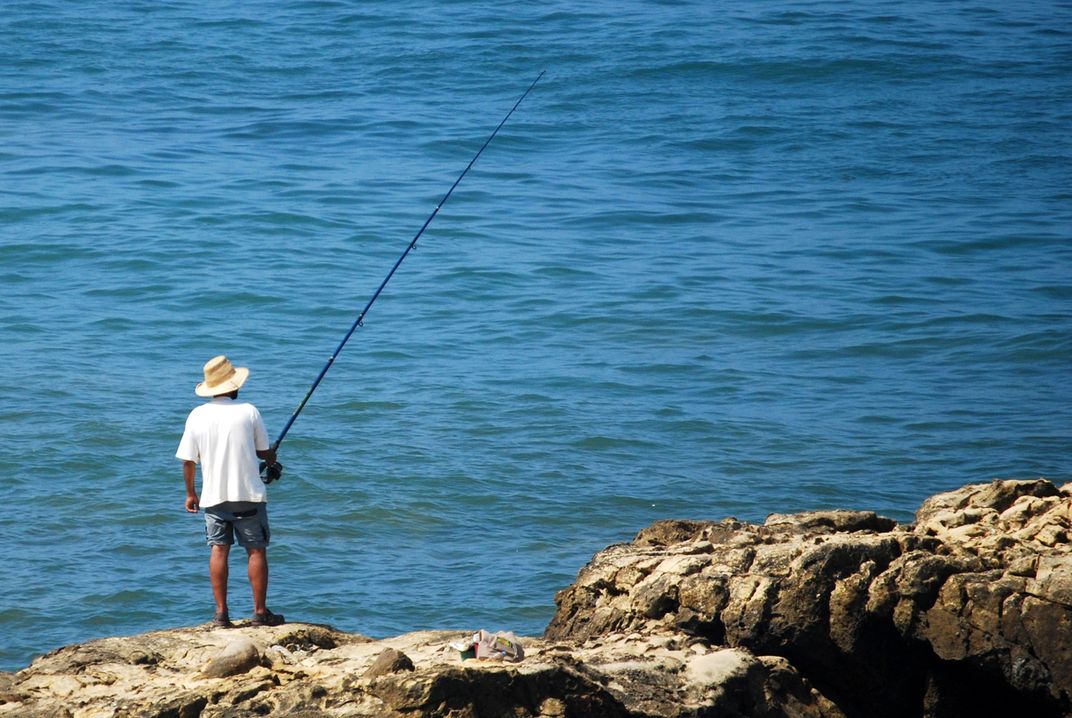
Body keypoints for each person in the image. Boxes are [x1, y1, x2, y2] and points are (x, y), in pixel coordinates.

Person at [176, 355, 284, 628]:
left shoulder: (197, 415)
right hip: (248, 495)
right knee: (256, 551)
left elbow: (188, 460)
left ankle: (221, 614)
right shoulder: (249, 411)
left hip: (213, 498)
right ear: (234, 385)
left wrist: (191, 494)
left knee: (218, 551)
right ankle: (260, 613)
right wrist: (271, 460)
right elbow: (263, 451)